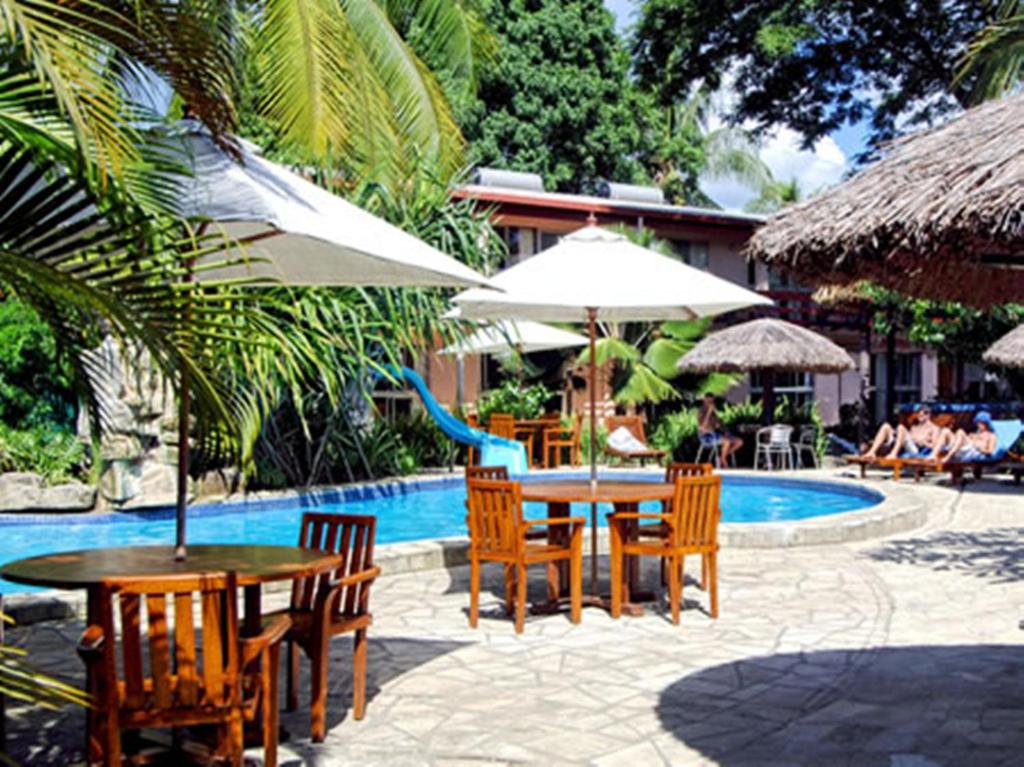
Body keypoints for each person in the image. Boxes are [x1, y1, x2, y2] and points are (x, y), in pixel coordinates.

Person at [861, 405, 940, 460]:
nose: (920, 416)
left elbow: (935, 447)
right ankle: (871, 452)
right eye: (919, 414)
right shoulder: (915, 426)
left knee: (901, 427)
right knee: (886, 426)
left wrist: (923, 442)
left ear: (929, 415)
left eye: (924, 414)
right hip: (904, 445)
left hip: (916, 450)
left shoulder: (934, 429)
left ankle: (893, 454)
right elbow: (908, 438)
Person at [932, 411, 998, 463]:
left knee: (960, 431)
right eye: (978, 422)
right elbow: (966, 439)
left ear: (987, 423)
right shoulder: (976, 433)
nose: (979, 425)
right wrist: (971, 437)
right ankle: (933, 455)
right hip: (961, 449)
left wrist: (980, 448)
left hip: (971, 452)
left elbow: (990, 451)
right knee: (945, 431)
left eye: (981, 422)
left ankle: (948, 457)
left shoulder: (991, 435)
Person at [698, 393, 742, 465]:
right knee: (727, 442)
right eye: (709, 401)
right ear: (705, 401)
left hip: (716, 434)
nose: (711, 403)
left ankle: (722, 457)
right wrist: (709, 412)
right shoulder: (701, 412)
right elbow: (702, 427)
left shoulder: (713, 413)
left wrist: (726, 431)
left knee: (739, 442)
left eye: (712, 401)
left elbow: (719, 424)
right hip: (706, 437)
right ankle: (723, 460)